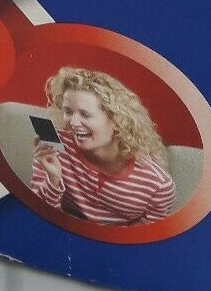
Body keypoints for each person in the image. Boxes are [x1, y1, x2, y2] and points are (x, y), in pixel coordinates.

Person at [30, 66, 175, 226]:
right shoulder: (52, 143)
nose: (74, 123)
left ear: (117, 121)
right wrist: (53, 179)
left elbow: (141, 240)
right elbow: (36, 220)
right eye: (68, 112)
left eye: (85, 114)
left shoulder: (158, 186)